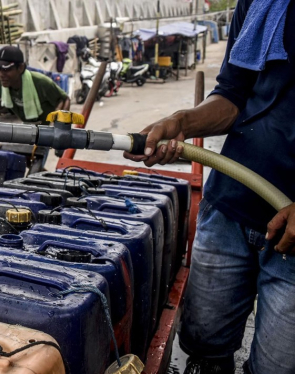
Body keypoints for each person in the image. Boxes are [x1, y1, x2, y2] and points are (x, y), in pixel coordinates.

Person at [125, 1, 295, 373]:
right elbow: (233, 95)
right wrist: (182, 121)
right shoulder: (260, 4)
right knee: (204, 344)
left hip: (292, 239)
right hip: (229, 207)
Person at [0, 46, 71, 127]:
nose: (1, 74)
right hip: (27, 126)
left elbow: (65, 98)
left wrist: (59, 125)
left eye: (6, 69)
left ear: (20, 68)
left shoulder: (41, 82)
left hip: (44, 126)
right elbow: (2, 97)